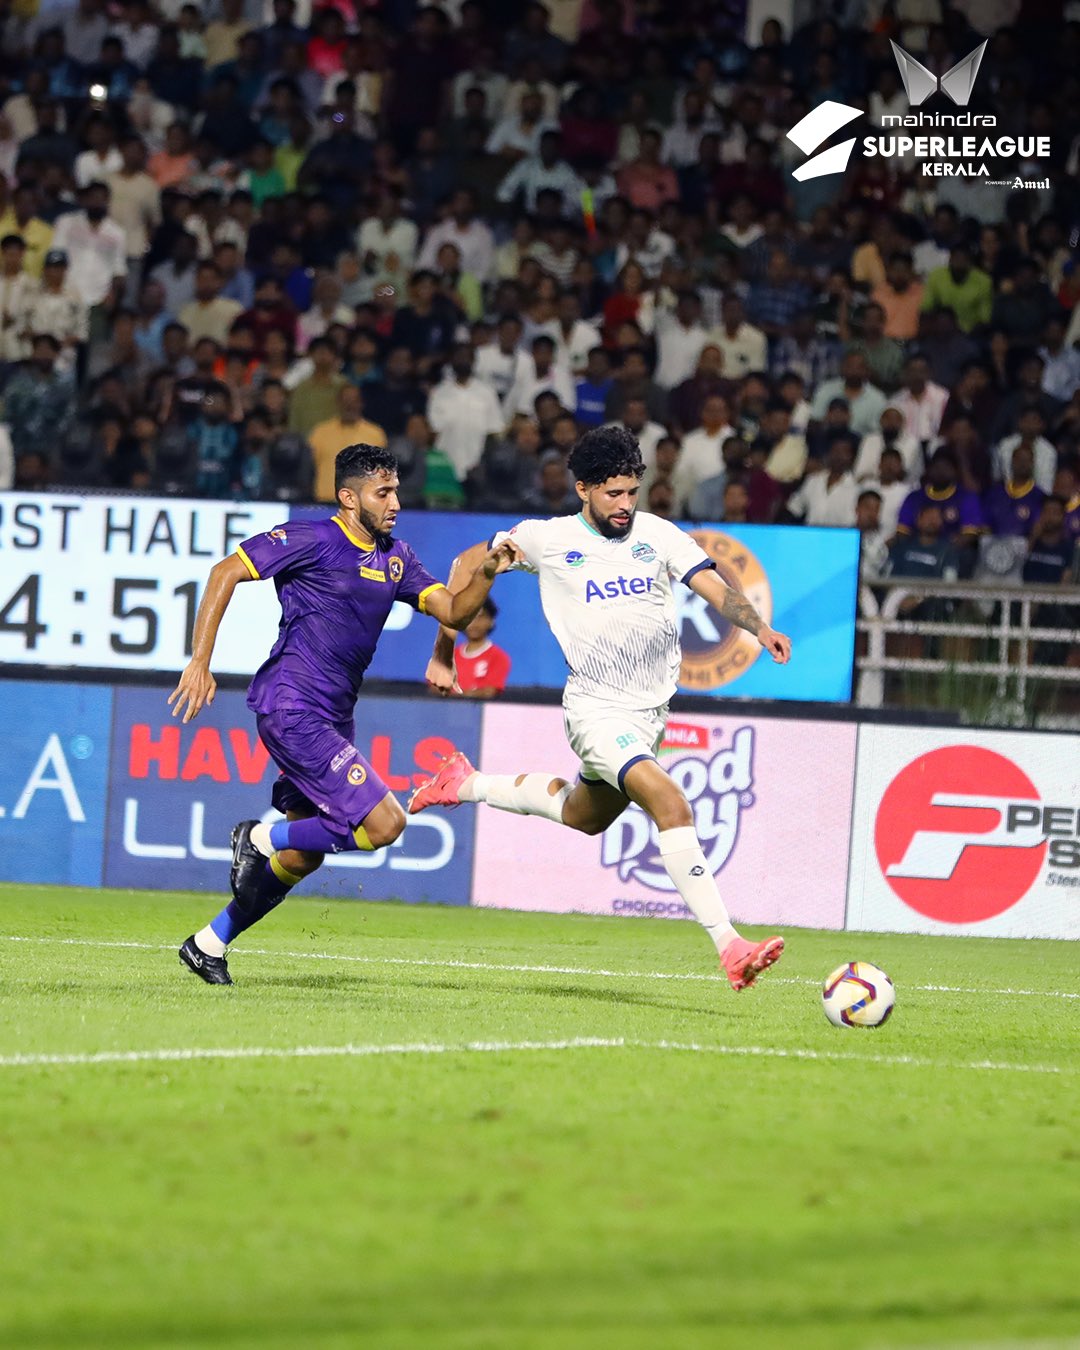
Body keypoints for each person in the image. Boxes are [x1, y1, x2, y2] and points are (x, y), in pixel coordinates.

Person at [409, 425, 792, 992]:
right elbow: (467, 567)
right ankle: (730, 945)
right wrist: (444, 649)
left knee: (584, 816)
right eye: (613, 493)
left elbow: (713, 586)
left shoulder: (659, 535)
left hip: (649, 715)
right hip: (596, 710)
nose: (625, 505)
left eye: (632, 492)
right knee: (671, 803)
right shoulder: (545, 538)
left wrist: (758, 627)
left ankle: (463, 783)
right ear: (583, 488)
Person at [168, 443, 521, 984]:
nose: (396, 501)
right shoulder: (311, 539)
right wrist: (200, 662)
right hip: (292, 705)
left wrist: (488, 573)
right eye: (384, 492)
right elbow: (224, 573)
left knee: (305, 853)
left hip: (334, 716)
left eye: (397, 490)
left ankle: (208, 942)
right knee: (386, 824)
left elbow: (452, 609)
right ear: (348, 497)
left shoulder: (395, 557)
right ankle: (257, 839)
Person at [453, 597, 511, 698]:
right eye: (470, 617)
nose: (474, 623)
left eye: (480, 617)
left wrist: (454, 693)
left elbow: (490, 692)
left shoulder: (499, 657)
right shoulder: (449, 656)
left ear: (491, 621)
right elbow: (435, 688)